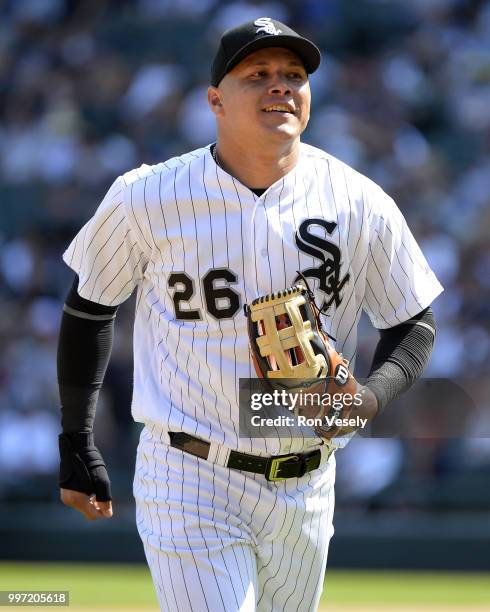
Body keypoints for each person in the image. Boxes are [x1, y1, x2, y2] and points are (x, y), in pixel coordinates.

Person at [57, 17, 442, 612]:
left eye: (294, 75)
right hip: (191, 471)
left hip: (308, 482)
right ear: (216, 100)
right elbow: (89, 309)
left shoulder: (358, 200)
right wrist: (77, 438)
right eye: (257, 75)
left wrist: (368, 398)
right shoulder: (149, 196)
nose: (280, 86)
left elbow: (413, 323)